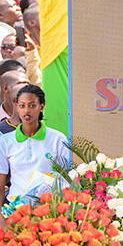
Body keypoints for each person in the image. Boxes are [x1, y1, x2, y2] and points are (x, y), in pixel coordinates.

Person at [0, 84, 68, 228]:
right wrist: (1, 219)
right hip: (14, 212)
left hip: (49, 213)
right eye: (22, 106)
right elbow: (1, 185)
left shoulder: (57, 139)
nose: (26, 110)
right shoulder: (5, 142)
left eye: (32, 105)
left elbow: (65, 181)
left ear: (41, 107)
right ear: (17, 107)